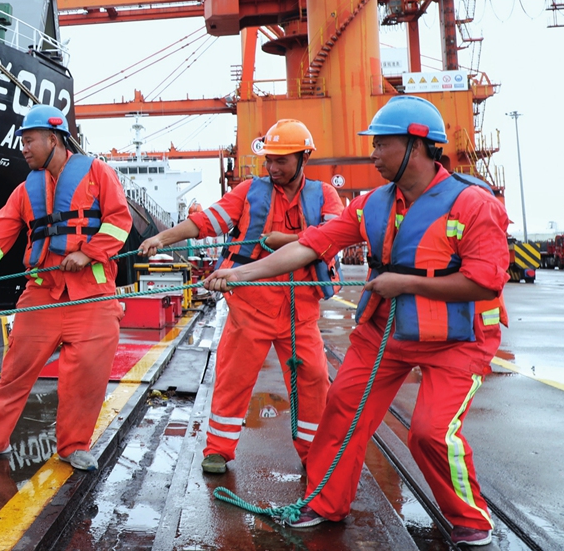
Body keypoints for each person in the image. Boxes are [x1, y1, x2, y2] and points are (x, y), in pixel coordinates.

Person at [203, 96, 508, 548]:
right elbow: (310, 245)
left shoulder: (474, 204)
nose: (373, 153)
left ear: (416, 146)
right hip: (384, 333)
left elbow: (485, 283)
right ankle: (324, 503)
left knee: (428, 431)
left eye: (382, 144)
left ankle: (471, 519)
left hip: (457, 339)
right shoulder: (369, 206)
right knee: (340, 410)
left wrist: (404, 285)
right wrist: (238, 273)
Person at [0, 104, 131, 472]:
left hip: (92, 297)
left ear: (52, 139)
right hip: (41, 295)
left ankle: (74, 446)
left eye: (28, 140)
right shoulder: (26, 190)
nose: (22, 148)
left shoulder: (98, 173)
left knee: (84, 378)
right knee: (14, 373)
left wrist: (88, 254)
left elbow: (120, 220)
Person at [139, 119, 343, 474]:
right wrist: (163, 238)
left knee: (312, 381)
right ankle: (217, 449)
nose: (273, 168)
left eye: (282, 160)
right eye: (270, 160)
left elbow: (334, 236)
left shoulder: (325, 195)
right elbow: (205, 222)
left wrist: (279, 239)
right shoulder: (250, 191)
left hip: (300, 309)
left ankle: (315, 455)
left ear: (303, 158)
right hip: (250, 305)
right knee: (234, 377)